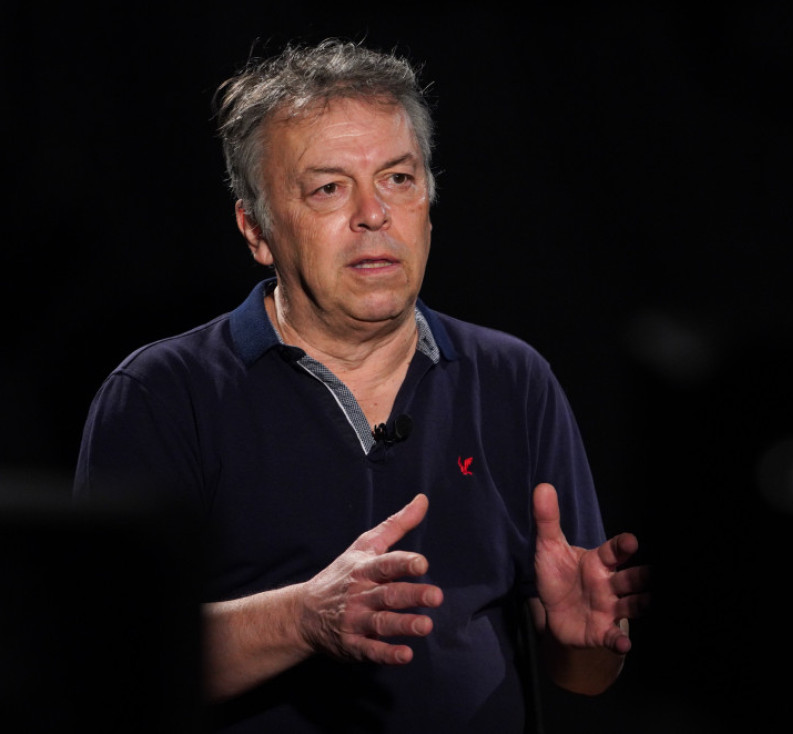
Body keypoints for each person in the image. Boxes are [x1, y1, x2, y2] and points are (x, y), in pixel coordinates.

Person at [74, 38, 650, 733]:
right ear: (256, 229)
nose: (374, 214)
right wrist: (302, 619)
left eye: (398, 178)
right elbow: (104, 662)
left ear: (429, 203)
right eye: (329, 188)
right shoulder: (162, 395)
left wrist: (584, 639)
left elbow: (584, 674)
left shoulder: (513, 378)